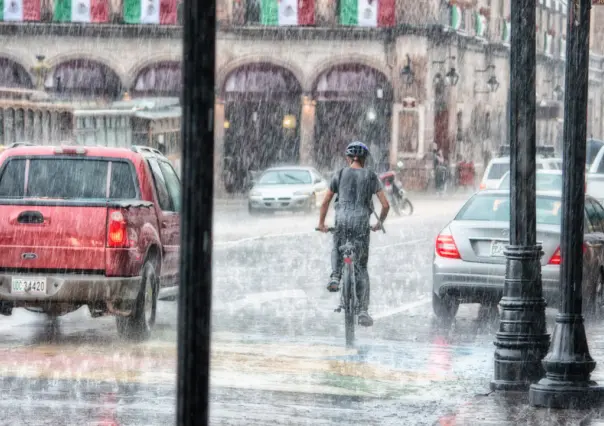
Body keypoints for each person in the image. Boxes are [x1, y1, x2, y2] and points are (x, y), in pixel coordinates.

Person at [317, 141, 390, 327]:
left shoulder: (340, 174)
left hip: (342, 221)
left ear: (348, 158)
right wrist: (379, 223)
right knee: (361, 268)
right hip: (361, 224)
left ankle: (335, 276)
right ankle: (363, 310)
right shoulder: (371, 176)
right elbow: (386, 205)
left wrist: (321, 223)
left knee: (337, 246)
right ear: (364, 159)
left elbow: (325, 202)